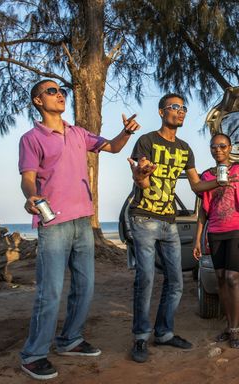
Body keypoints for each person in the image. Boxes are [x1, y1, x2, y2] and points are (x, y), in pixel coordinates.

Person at [18, 79, 141, 380]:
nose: (59, 94)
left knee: (85, 287)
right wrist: (30, 196)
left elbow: (110, 147)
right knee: (50, 292)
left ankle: (70, 339)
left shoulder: (78, 133)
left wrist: (125, 132)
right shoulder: (32, 137)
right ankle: (33, 355)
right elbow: (28, 177)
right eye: (51, 91)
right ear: (37, 101)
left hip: (83, 220)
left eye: (61, 91)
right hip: (54, 223)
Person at [127, 93, 236, 363]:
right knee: (146, 279)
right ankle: (141, 337)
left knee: (176, 281)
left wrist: (219, 184)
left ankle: (164, 332)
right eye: (175, 107)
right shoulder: (147, 141)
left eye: (183, 108)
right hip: (143, 217)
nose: (181, 112)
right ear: (162, 112)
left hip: (169, 221)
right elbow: (140, 179)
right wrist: (141, 176)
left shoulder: (185, 148)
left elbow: (197, 185)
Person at [192, 133, 239, 349]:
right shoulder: (206, 176)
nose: (218, 149)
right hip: (215, 231)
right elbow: (204, 211)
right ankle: (229, 327)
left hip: (237, 228)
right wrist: (198, 238)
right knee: (220, 277)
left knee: (232, 277)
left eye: (222, 146)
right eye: (214, 146)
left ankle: (236, 331)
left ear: (230, 148)